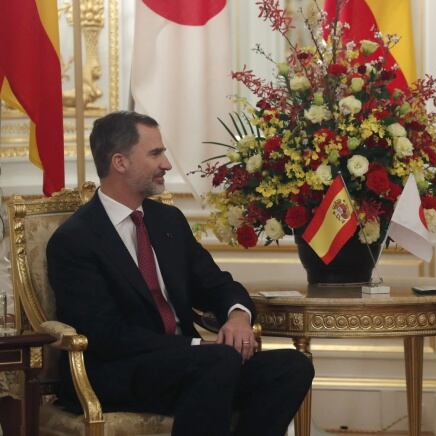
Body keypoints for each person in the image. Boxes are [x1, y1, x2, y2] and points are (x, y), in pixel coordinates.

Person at [47, 111, 314, 436]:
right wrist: (196, 347)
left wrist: (238, 316)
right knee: (218, 362)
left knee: (292, 367)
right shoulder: (76, 239)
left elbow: (217, 284)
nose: (167, 164)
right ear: (120, 162)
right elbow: (106, 335)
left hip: (192, 366)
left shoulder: (167, 221)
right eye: (155, 153)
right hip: (120, 371)